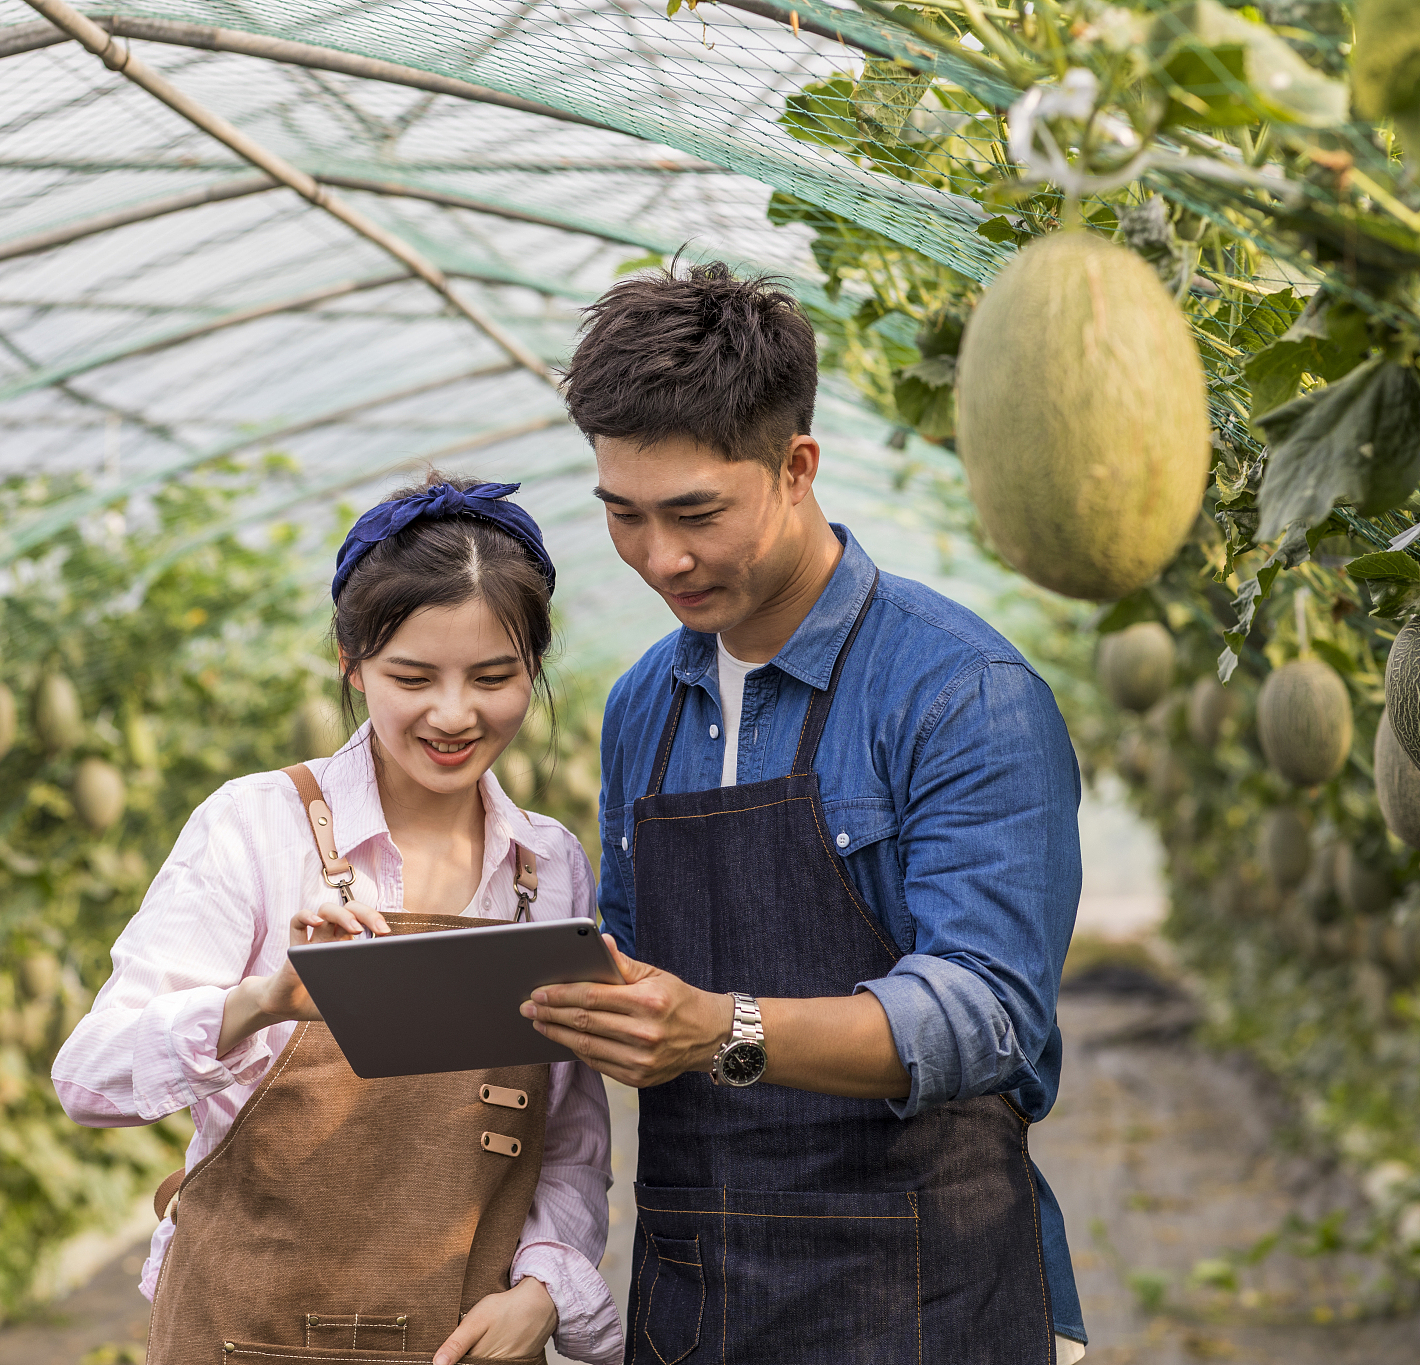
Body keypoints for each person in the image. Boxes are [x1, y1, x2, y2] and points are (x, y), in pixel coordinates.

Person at [521, 264, 1088, 1364]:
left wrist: (721, 1031)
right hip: (700, 1283)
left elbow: (987, 1012)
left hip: (924, 1286)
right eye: (623, 517)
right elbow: (635, 968)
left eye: (694, 514)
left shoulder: (957, 691)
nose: (658, 558)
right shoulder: (644, 702)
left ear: (796, 468)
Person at [53, 475, 624, 1365]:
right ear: (352, 665)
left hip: (459, 1339)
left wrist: (543, 1292)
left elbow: (572, 1130)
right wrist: (264, 999)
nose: (453, 713)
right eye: (411, 676)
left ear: (534, 670)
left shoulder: (547, 866)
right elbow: (88, 1079)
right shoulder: (254, 825)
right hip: (245, 1333)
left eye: (493, 676)